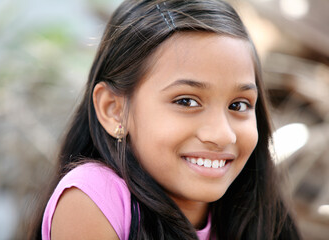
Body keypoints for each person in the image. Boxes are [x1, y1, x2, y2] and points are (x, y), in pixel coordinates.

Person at [32, 0, 301, 239]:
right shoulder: (95, 196)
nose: (222, 135)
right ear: (113, 109)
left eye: (238, 105)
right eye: (186, 101)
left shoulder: (255, 213)